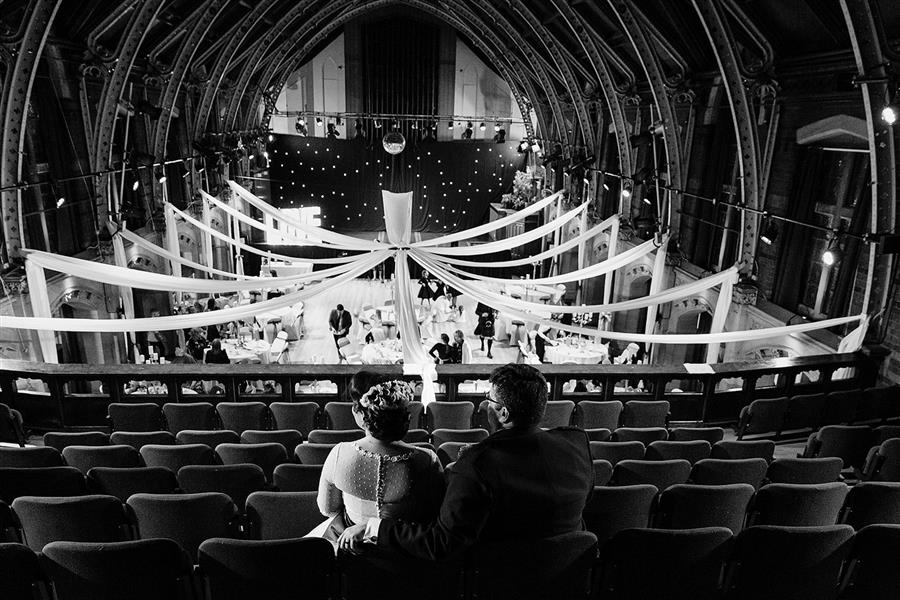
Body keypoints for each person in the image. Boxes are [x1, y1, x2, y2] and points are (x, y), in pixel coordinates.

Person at [337, 363, 593, 564]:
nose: (485, 404)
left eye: (489, 399)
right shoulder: (577, 443)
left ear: (503, 413)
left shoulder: (476, 465)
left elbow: (441, 544)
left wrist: (375, 526)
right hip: (570, 574)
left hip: (503, 579)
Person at [309, 378, 444, 549]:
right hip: (405, 547)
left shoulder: (340, 453)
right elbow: (434, 514)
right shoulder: (427, 459)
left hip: (350, 546)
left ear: (363, 417)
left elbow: (328, 509)